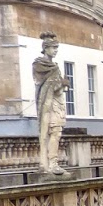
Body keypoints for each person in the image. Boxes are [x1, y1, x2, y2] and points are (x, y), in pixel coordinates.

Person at [31, 34, 68, 175]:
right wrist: (61, 83)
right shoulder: (39, 65)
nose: (56, 51)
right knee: (53, 132)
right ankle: (50, 163)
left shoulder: (55, 66)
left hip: (57, 102)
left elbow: (55, 86)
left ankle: (53, 162)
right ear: (45, 48)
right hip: (48, 104)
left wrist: (61, 85)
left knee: (56, 133)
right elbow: (42, 84)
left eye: (57, 48)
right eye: (54, 48)